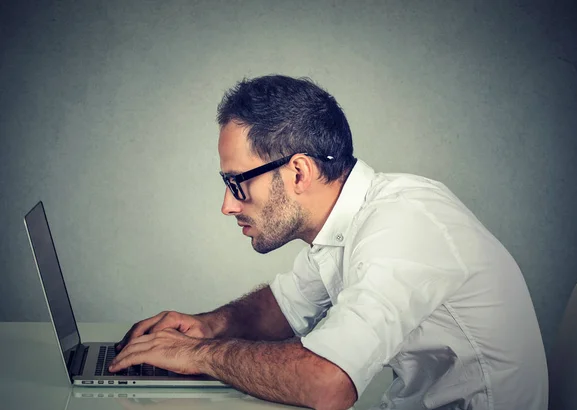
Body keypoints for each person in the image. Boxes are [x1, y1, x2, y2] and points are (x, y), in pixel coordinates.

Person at [109, 75, 548, 410]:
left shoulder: (402, 225)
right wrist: (207, 326)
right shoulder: (343, 223)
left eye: (237, 183)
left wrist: (199, 355)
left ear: (298, 173)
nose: (227, 205)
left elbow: (328, 384)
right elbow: (283, 307)